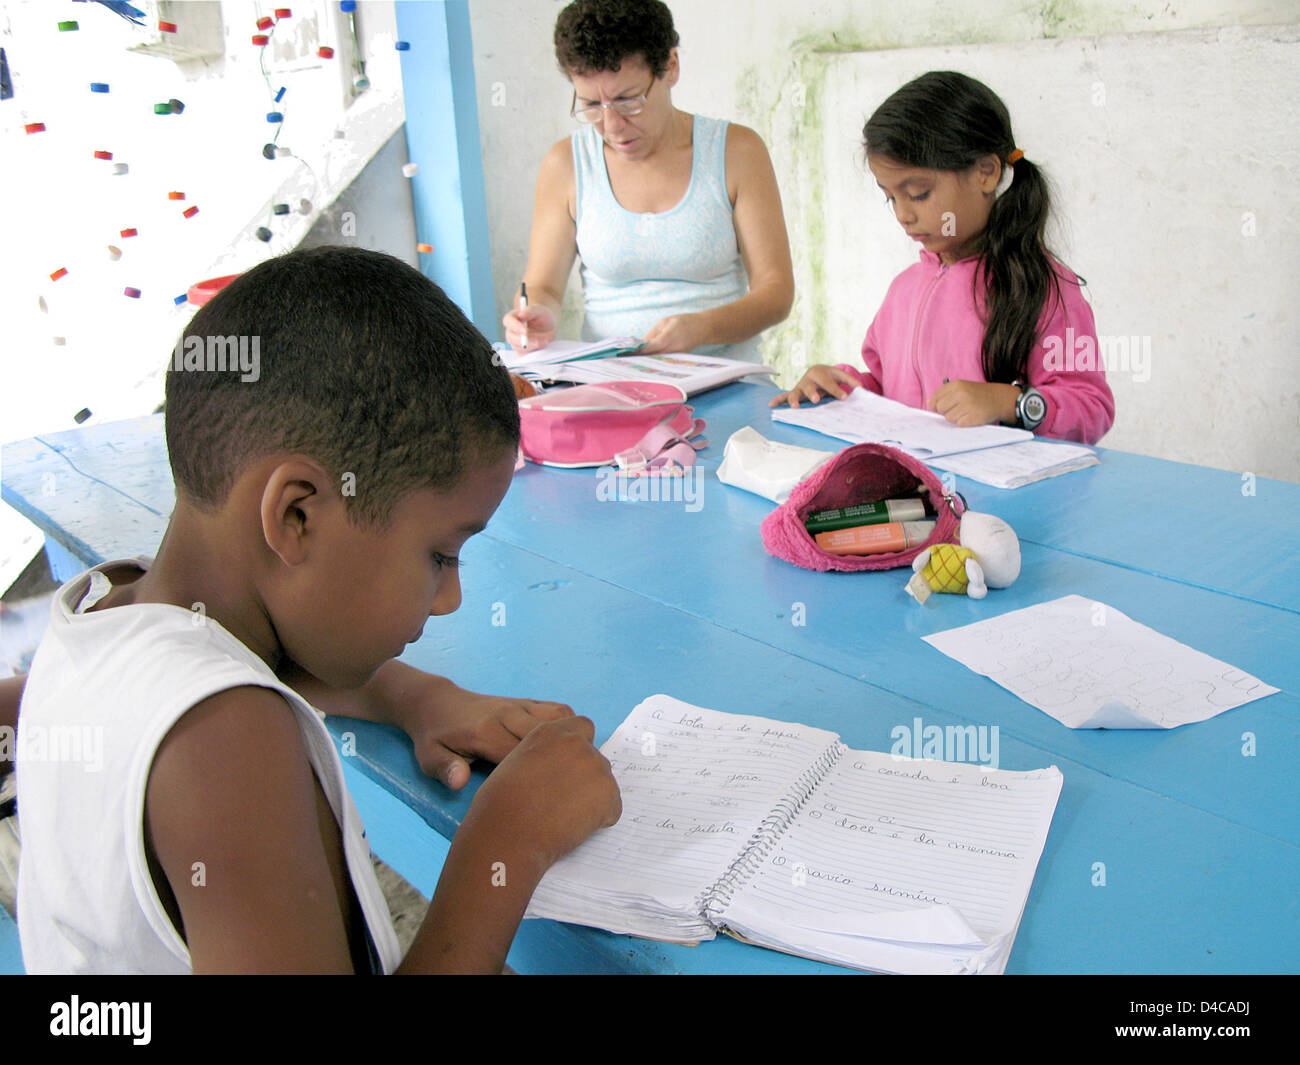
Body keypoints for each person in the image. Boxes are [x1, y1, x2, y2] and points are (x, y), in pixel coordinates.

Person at [15, 246, 621, 974]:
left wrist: (420, 696)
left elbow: (253, 667)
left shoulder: (113, 612)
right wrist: (506, 846)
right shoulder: (227, 743)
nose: (451, 596)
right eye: (440, 554)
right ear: (296, 515)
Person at [772, 71, 1114, 446]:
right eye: (891, 198)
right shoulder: (905, 289)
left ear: (986, 172)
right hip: (916, 490)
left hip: (999, 498)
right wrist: (842, 386)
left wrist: (1009, 403)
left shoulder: (1044, 288)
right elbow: (889, 390)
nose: (903, 214)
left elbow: (1091, 408)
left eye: (918, 193)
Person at [502, 0, 793, 362]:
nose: (611, 127)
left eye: (627, 100)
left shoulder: (737, 152)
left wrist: (702, 327)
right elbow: (542, 285)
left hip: (723, 378)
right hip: (611, 382)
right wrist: (536, 315)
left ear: (670, 67)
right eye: (591, 105)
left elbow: (776, 292)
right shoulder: (566, 164)